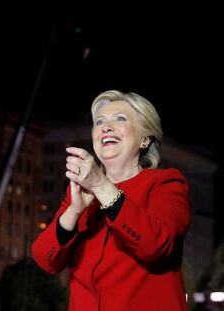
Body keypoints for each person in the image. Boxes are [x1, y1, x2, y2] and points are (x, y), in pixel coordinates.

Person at [31, 90, 191, 311]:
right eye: (99, 122)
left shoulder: (166, 184)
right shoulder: (80, 192)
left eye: (120, 119)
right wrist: (73, 212)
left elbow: (156, 245)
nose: (106, 127)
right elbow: (45, 260)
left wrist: (101, 186)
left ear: (145, 139)